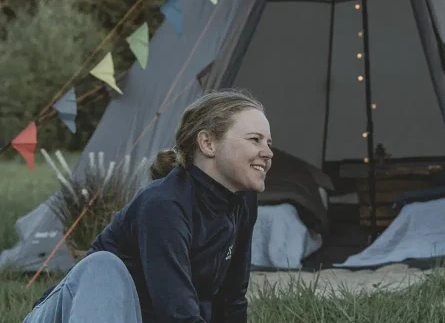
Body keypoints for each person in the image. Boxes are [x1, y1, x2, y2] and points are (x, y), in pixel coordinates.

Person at [24, 88, 273, 323]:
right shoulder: (164, 205)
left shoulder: (242, 202)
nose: (268, 152)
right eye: (255, 139)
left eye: (268, 143)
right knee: (104, 265)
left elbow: (232, 301)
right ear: (208, 143)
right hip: (70, 313)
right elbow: (177, 314)